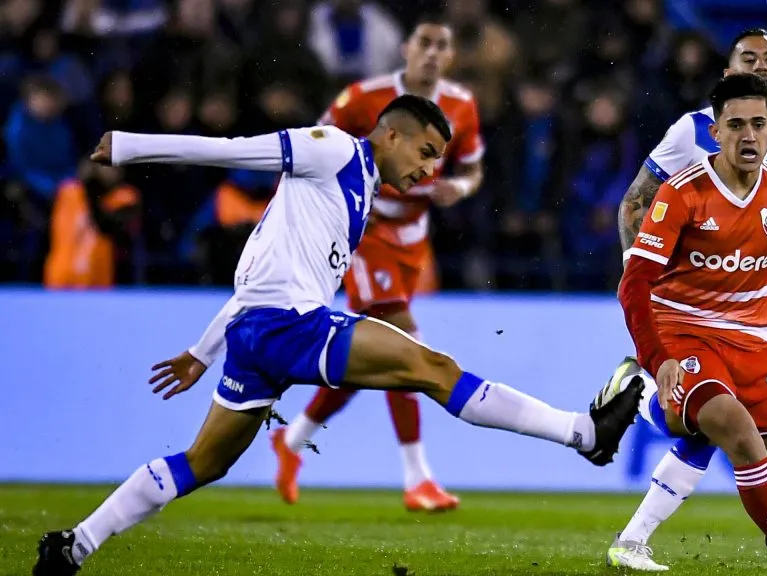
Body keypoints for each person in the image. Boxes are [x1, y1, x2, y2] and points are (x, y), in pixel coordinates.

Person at [33, 95, 644, 576]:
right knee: (432, 368)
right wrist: (131, 148)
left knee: (203, 463)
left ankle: (74, 546)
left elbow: (259, 273)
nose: (429, 169)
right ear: (392, 133)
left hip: (257, 332)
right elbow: (234, 150)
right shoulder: (331, 150)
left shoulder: (361, 191)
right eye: (426, 152)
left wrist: (203, 350)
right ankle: (583, 434)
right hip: (286, 326)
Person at [612, 73, 767, 576]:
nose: (748, 135)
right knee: (736, 432)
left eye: (758, 125)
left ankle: (654, 404)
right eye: (735, 124)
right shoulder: (682, 194)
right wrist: (661, 357)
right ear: (714, 132)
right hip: (685, 332)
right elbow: (633, 285)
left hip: (755, 345)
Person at [272, 14, 484, 512]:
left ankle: (293, 438)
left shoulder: (463, 105)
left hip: (415, 238)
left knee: (371, 357)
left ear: (451, 57)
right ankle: (417, 478)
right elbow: (315, 148)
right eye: (424, 42)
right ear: (406, 48)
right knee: (406, 345)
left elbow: (473, 168)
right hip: (369, 232)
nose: (432, 53)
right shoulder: (363, 98)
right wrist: (338, 206)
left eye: (442, 46)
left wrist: (462, 187)